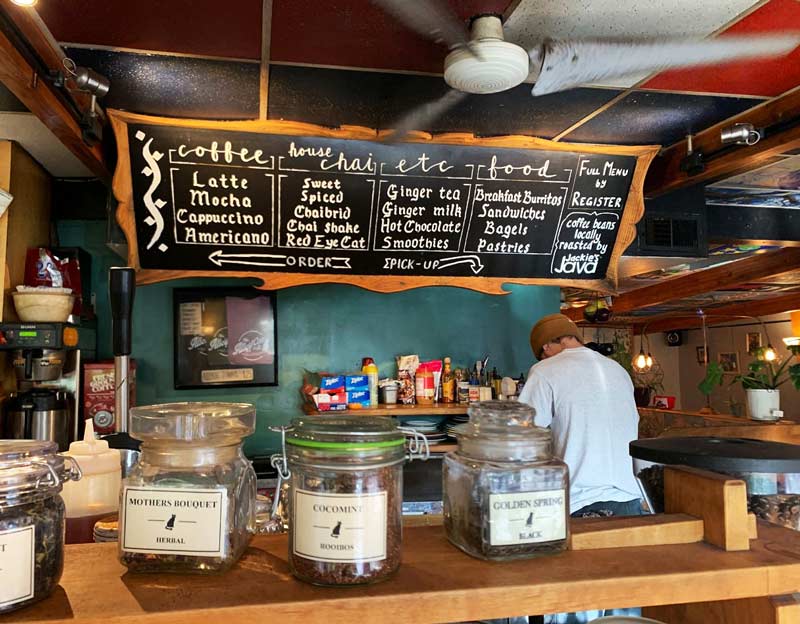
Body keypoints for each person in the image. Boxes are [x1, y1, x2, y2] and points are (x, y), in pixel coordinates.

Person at [519, 314, 644, 624]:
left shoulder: (545, 371)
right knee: (624, 602)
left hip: (582, 501)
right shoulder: (617, 370)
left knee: (576, 603)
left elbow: (522, 437)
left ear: (547, 347)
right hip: (631, 501)